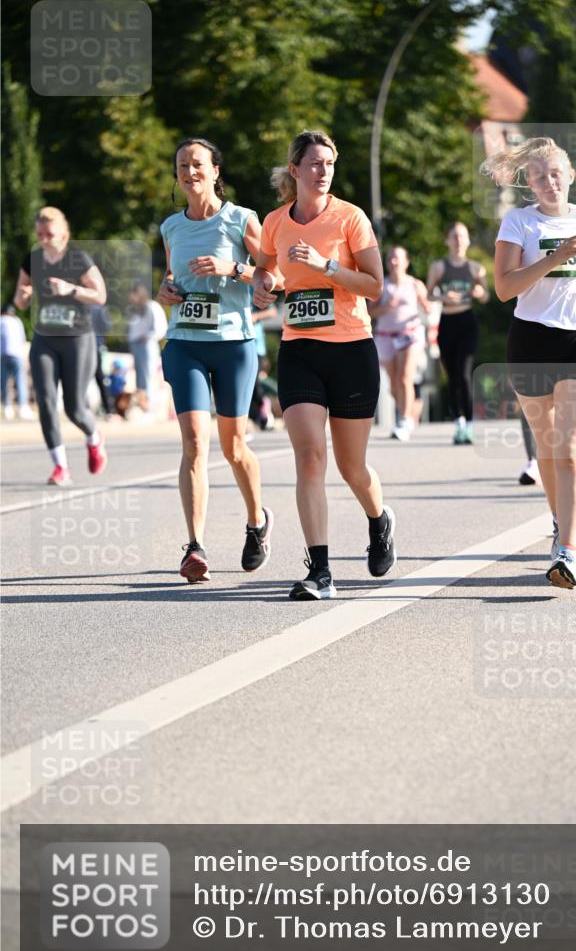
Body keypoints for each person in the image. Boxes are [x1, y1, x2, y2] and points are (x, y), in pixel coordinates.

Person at [482, 136, 576, 588]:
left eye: (555, 174)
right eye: (539, 177)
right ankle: (557, 520)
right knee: (547, 451)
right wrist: (554, 258)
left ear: (569, 176)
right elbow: (505, 288)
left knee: (570, 451)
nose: (549, 182)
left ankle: (568, 551)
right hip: (530, 342)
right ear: (530, 184)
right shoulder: (518, 223)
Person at [253, 129, 395, 600]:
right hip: (300, 351)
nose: (324, 171)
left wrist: (326, 266)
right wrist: (262, 282)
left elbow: (375, 286)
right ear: (295, 170)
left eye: (329, 164)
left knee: (352, 467)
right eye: (315, 164)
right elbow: (267, 267)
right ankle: (321, 571)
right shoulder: (276, 221)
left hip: (351, 349)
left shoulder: (350, 219)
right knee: (310, 457)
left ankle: (379, 519)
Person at [158, 137, 273, 583]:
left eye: (198, 164)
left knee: (233, 447)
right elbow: (171, 278)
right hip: (185, 341)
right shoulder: (171, 228)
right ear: (177, 176)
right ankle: (194, 546)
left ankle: (256, 520)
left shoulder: (241, 219)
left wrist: (233, 270)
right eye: (183, 165)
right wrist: (164, 291)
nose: (190, 171)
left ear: (215, 171)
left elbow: (272, 274)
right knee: (193, 443)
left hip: (233, 343)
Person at [13, 207, 108, 485]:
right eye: (40, 234)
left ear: (64, 234)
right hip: (45, 338)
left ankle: (94, 436)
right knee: (45, 402)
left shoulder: (78, 258)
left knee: (75, 407)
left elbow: (100, 295)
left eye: (50, 234)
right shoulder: (33, 259)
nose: (44, 239)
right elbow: (19, 301)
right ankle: (60, 467)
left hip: (77, 338)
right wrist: (24, 295)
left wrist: (71, 289)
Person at [427, 222, 489, 443]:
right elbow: (428, 294)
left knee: (464, 373)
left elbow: (486, 295)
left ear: (468, 241)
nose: (458, 240)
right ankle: (458, 424)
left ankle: (470, 424)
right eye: (454, 236)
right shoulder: (438, 267)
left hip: (466, 322)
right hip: (447, 322)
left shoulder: (475, 268)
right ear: (447, 240)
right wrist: (442, 297)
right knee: (452, 375)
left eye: (462, 236)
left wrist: (480, 291)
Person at [368, 245, 429, 441]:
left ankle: (403, 420)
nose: (393, 262)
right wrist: (387, 307)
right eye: (390, 259)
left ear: (406, 262)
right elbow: (369, 312)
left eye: (397, 258)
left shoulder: (415, 285)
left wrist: (429, 306)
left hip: (410, 335)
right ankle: (406, 412)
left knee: (405, 377)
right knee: (393, 384)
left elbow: (428, 308)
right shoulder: (381, 286)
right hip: (386, 335)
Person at [127, 281, 168, 413]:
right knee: (139, 376)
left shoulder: (152, 306)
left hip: (147, 344)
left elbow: (160, 327)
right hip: (136, 344)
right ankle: (142, 405)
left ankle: (150, 406)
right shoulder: (135, 309)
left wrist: (147, 336)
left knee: (147, 375)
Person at [1, 305, 32, 420]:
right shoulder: (17, 321)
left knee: (4, 382)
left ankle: (7, 407)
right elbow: (22, 339)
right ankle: (22, 407)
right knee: (20, 380)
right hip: (17, 354)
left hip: (3, 355)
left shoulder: (1, 321)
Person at [91, 304, 113, 418]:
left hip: (80, 347)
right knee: (101, 378)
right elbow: (107, 327)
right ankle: (109, 410)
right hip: (96, 345)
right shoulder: (99, 308)